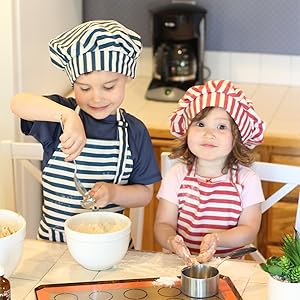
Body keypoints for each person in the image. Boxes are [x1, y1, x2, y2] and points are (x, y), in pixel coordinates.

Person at [11, 20, 161, 243]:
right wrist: (67, 117)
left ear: (128, 79)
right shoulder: (60, 116)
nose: (96, 97)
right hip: (53, 249)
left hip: (109, 247)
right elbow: (18, 102)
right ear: (74, 84)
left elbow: (145, 193)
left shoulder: (134, 132)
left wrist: (113, 193)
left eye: (109, 87)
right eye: (84, 88)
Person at [154, 79, 266, 264]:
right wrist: (170, 241)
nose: (209, 134)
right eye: (200, 124)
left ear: (237, 137)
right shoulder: (177, 175)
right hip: (182, 265)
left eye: (221, 127)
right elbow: (163, 224)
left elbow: (249, 229)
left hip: (229, 267)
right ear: (186, 131)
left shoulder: (247, 180)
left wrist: (217, 239)